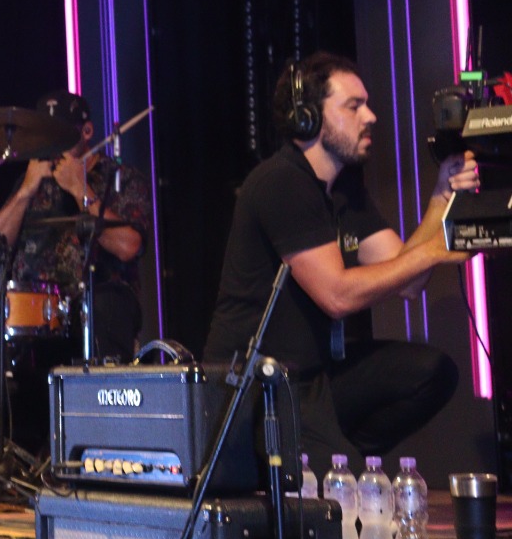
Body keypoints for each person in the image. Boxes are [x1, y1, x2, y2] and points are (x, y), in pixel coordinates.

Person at [203, 52, 480, 472]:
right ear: (307, 118)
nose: (370, 116)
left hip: (313, 376)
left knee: (432, 372)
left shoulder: (344, 188)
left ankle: (335, 458)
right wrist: (434, 249)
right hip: (259, 387)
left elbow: (407, 278)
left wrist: (441, 199)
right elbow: (336, 296)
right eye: (354, 106)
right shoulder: (282, 182)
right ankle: (328, 463)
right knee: (343, 498)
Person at [0, 90, 152, 361]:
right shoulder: (31, 182)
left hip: (99, 309)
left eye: (60, 133)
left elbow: (129, 246)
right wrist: (25, 191)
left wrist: (80, 189)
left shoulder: (120, 178)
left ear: (86, 131)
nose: (53, 142)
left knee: (105, 306)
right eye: (45, 134)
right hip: (36, 315)